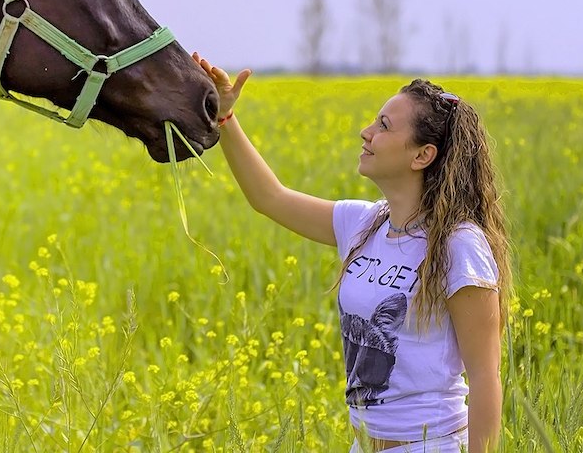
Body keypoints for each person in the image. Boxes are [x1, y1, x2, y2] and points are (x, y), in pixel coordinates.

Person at [193, 53, 512, 453]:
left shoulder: (458, 244)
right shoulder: (365, 224)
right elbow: (269, 198)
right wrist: (226, 117)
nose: (366, 132)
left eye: (383, 126)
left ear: (422, 155)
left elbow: (485, 376)